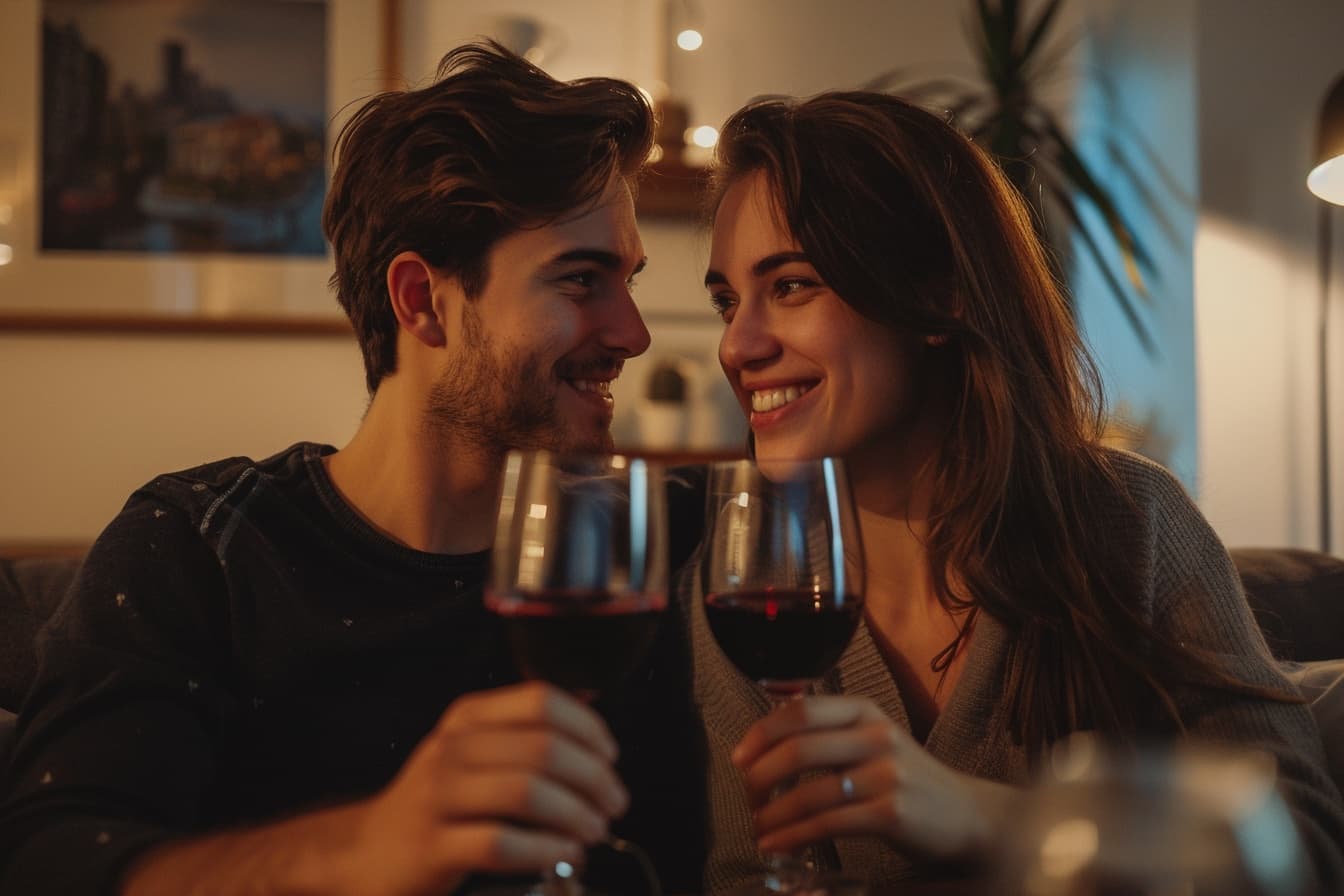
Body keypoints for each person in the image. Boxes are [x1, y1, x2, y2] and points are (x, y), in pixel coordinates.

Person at [0, 43, 705, 895]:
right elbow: (52, 861)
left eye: (628, 279)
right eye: (582, 279)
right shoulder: (199, 545)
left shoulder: (667, 533)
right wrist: (367, 849)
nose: (634, 332)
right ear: (421, 302)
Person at [689, 90, 1344, 892]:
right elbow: (744, 876)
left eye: (791, 285)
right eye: (727, 300)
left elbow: (1301, 852)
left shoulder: (1127, 522)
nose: (737, 344)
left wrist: (982, 819)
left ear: (938, 296)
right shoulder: (745, 573)